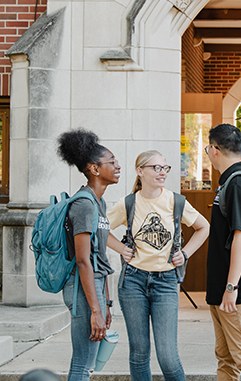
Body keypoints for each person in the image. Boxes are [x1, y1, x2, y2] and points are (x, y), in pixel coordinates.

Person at [106, 150, 210, 381]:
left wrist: (185, 253)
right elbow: (99, 228)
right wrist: (120, 248)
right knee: (139, 353)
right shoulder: (129, 203)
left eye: (165, 168)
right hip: (133, 281)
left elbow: (204, 227)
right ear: (140, 171)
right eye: (156, 168)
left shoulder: (176, 201)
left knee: (167, 355)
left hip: (166, 282)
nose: (162, 173)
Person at [56, 129, 120, 381]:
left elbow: (99, 257)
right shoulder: (83, 204)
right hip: (82, 287)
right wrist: (95, 310)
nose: (117, 166)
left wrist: (105, 304)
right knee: (83, 361)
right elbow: (83, 260)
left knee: (89, 362)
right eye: (112, 162)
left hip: (94, 288)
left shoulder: (99, 202)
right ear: (94, 169)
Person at [205, 124, 241, 381]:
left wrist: (231, 287)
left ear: (215, 150)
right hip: (222, 288)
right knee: (226, 357)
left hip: (234, 289)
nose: (207, 152)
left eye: (208, 148)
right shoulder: (228, 182)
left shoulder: (239, 183)